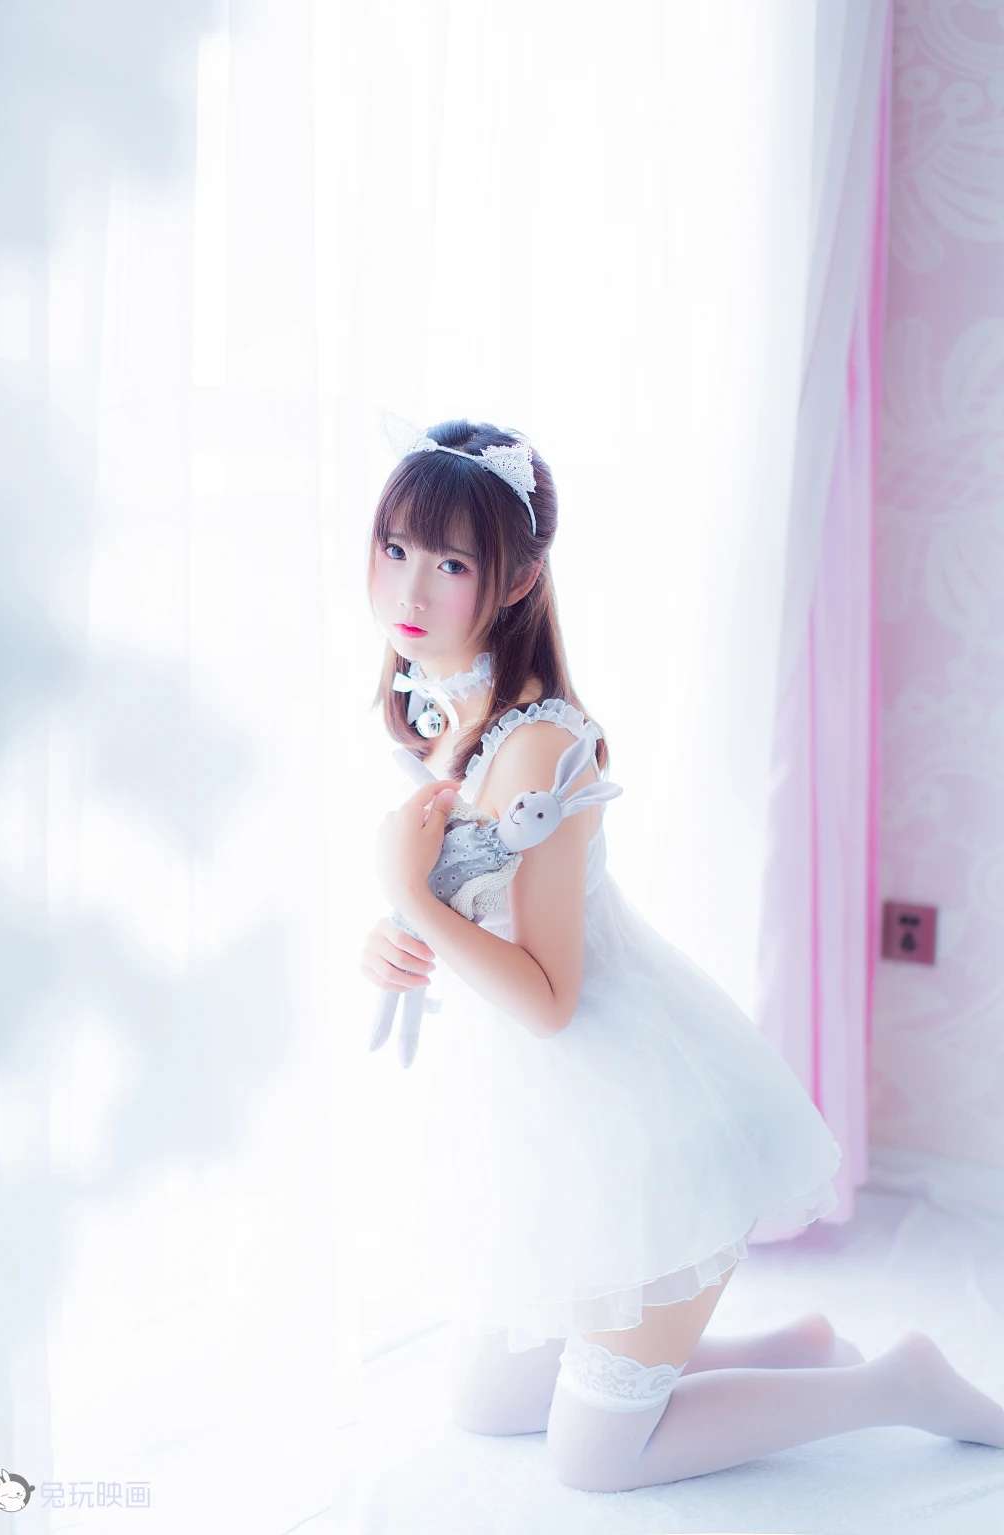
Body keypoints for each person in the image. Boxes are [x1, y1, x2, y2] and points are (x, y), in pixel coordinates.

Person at [359, 417, 1004, 1491]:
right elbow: (475, 904)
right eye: (395, 548)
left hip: (640, 1116)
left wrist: (410, 899)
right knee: (486, 1401)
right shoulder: (448, 707)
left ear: (516, 580)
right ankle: (792, 1349)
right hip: (554, 1119)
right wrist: (405, 928)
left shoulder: (540, 745)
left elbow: (551, 996)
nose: (410, 588)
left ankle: (894, 1382)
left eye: (451, 564)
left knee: (594, 1459)